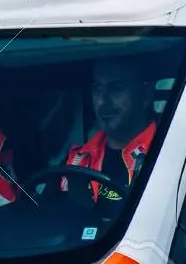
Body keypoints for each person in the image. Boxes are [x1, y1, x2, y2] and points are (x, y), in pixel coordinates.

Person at [64, 57, 157, 202]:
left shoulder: (167, 154)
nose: (102, 101)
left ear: (145, 95)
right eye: (97, 89)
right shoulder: (78, 160)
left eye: (116, 88)